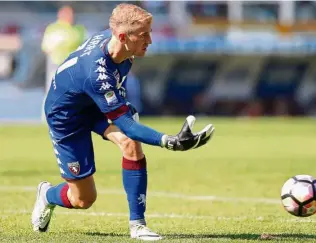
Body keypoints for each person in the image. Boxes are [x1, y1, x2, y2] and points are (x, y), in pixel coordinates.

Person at [31, 3, 214, 241]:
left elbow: (125, 121)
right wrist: (168, 141)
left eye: (149, 32)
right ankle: (47, 195)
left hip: (92, 102)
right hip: (66, 116)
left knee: (130, 144)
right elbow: (126, 123)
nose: (150, 39)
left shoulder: (123, 50)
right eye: (144, 35)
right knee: (83, 199)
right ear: (122, 36)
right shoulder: (97, 74)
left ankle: (137, 225)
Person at [41, 5, 86, 120]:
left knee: (73, 92)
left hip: (73, 66)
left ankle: (70, 116)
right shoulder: (53, 28)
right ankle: (47, 116)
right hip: (56, 64)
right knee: (52, 90)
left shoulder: (79, 29)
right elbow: (46, 46)